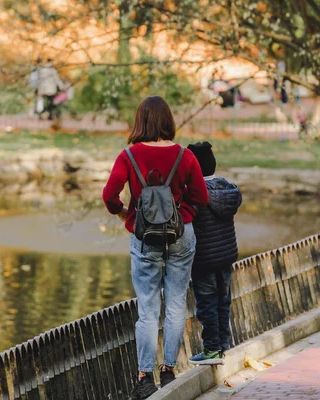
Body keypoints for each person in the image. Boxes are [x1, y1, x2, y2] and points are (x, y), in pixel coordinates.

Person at [102, 96, 208, 399]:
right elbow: (200, 197)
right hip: (180, 235)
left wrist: (126, 214)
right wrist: (182, 215)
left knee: (147, 309)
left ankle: (144, 377)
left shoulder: (128, 156)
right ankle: (169, 369)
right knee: (175, 303)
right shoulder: (185, 156)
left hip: (144, 237)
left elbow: (109, 195)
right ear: (168, 121)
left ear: (140, 121)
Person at [186, 142, 242, 365]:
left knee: (207, 303)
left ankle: (211, 349)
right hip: (226, 255)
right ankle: (223, 344)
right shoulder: (227, 188)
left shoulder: (196, 194)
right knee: (223, 299)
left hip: (205, 259)